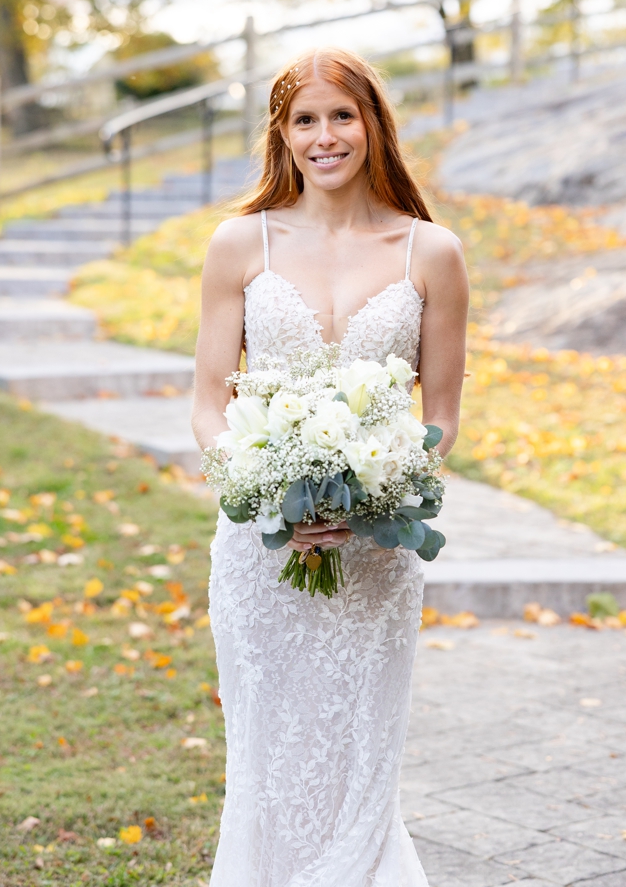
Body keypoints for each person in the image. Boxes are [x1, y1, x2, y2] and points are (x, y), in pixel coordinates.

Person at [191, 47, 468, 885]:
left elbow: (441, 417)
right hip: (262, 555)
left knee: (356, 763)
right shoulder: (240, 244)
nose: (324, 136)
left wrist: (383, 484)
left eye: (341, 115)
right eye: (304, 119)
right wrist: (266, 485)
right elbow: (208, 401)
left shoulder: (433, 252)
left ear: (373, 124)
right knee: (268, 761)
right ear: (281, 132)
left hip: (376, 557)